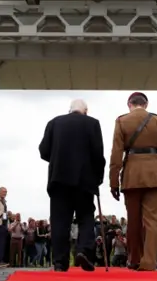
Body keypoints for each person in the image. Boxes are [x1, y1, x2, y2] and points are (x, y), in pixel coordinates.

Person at [109, 92, 157, 271]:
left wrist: (113, 182)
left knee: (133, 220)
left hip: (131, 176)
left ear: (129, 104)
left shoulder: (122, 121)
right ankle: (149, 263)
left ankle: (134, 259)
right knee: (153, 222)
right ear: (146, 105)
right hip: (155, 176)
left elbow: (116, 155)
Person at [39, 98, 106, 272]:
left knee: (60, 221)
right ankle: (84, 250)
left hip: (59, 178)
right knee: (85, 216)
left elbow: (43, 151)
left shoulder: (54, 123)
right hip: (84, 179)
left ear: (70, 109)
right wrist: (98, 178)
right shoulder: (92, 123)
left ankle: (60, 262)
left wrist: (58, 158)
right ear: (86, 110)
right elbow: (98, 154)